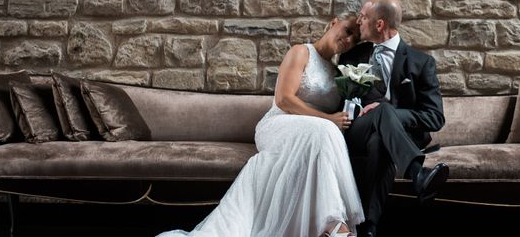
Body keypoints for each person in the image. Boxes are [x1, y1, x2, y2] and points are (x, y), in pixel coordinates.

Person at [156, 15, 365, 237]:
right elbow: (284, 100)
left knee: (322, 134)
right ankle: (333, 223)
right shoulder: (301, 52)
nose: (349, 40)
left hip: (312, 133)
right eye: (348, 30)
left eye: (355, 39)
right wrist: (328, 119)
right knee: (324, 130)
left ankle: (324, 224)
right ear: (334, 23)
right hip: (280, 123)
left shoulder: (338, 74)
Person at [338, 0, 448, 237]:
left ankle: (369, 227)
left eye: (363, 17)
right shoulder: (350, 59)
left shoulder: (422, 63)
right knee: (381, 115)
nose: (358, 22)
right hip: (359, 131)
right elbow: (342, 102)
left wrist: (389, 114)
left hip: (395, 137)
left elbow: (435, 117)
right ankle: (417, 173)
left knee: (381, 140)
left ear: (379, 24)